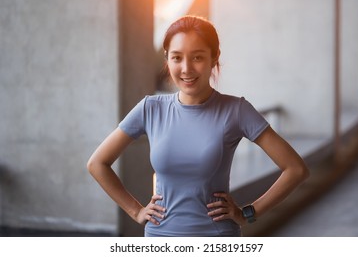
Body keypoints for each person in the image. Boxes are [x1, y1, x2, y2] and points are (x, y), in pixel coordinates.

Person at [87, 15, 309, 237]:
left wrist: (248, 213)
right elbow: (97, 163)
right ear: (167, 59)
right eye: (176, 58)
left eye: (197, 57)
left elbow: (296, 169)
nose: (186, 69)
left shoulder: (237, 110)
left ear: (214, 58)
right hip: (159, 237)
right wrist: (135, 211)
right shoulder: (150, 108)